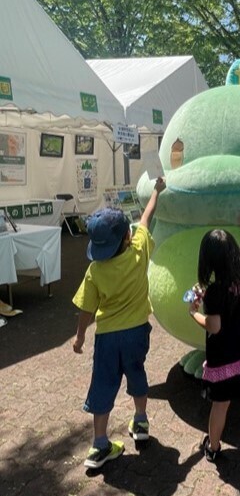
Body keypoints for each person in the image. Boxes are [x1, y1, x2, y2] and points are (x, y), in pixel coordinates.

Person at [72, 177, 166, 469]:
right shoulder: (138, 251)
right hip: (137, 333)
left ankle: (99, 445)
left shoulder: (95, 270)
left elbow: (86, 309)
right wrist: (156, 191)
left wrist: (79, 338)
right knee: (137, 374)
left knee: (102, 384)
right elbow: (147, 217)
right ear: (127, 236)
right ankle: (140, 423)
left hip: (108, 338)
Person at [189, 212, 240, 462]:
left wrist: (192, 312)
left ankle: (213, 448)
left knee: (220, 405)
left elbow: (214, 327)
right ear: (234, 252)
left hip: (225, 362)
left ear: (208, 261)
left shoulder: (213, 292)